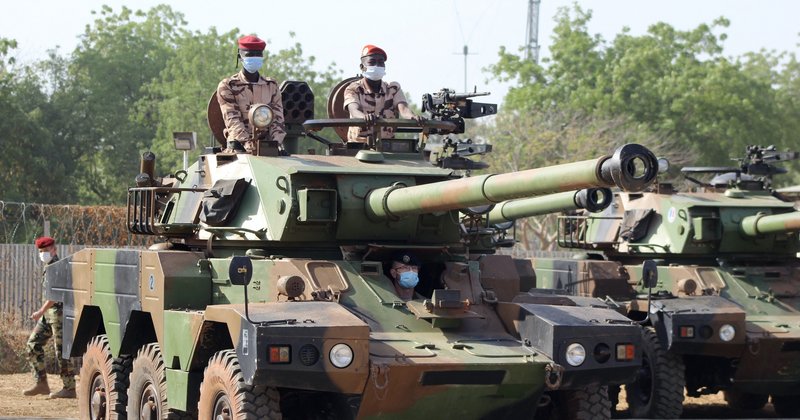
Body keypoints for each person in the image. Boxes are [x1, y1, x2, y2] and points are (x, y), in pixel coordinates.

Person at [22, 236, 76, 399]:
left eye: (46, 251)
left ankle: (69, 388)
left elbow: (55, 295)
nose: (43, 254)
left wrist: (39, 312)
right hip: (49, 314)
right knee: (33, 343)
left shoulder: (57, 267)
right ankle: (41, 383)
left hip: (59, 313)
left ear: (54, 249)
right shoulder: (49, 266)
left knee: (61, 351)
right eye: (41, 251)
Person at [217, 35, 286, 154]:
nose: (255, 58)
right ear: (240, 57)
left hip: (268, 149)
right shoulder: (228, 86)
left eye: (258, 54)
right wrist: (250, 147)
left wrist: (275, 144)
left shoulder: (271, 86)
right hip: (239, 149)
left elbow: (277, 120)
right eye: (249, 55)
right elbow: (233, 121)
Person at [343, 44, 424, 143]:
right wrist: (364, 117)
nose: (377, 66)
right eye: (372, 62)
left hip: (388, 145)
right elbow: (353, 110)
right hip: (358, 146)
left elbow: (403, 109)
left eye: (381, 63)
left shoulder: (393, 89)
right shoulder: (353, 89)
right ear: (362, 67)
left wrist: (413, 116)